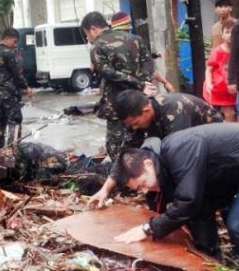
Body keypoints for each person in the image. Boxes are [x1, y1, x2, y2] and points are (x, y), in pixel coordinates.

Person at [112, 124, 239, 271]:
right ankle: (214, 268)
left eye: (143, 184)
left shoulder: (179, 150)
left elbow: (188, 202)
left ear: (148, 164)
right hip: (233, 168)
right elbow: (192, 206)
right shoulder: (161, 164)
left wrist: (148, 228)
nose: (145, 190)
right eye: (139, 189)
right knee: (204, 213)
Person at [88, 89, 224, 207]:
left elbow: (180, 160)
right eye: (131, 125)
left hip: (215, 148)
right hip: (189, 146)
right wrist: (105, 190)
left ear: (146, 111)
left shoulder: (175, 111)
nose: (134, 128)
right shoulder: (137, 118)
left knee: (183, 190)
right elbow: (126, 158)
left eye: (136, 123)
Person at [81, 11, 154, 160]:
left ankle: (123, 178)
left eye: (87, 34)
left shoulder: (98, 47)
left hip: (116, 105)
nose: (88, 39)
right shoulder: (135, 39)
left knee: (116, 148)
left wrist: (138, 83)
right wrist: (142, 83)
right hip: (138, 101)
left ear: (93, 28)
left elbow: (108, 73)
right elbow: (148, 63)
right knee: (139, 140)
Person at [0, 28, 32, 150]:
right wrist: (26, 87)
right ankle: (12, 152)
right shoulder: (11, 53)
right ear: (7, 38)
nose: (15, 45)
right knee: (15, 122)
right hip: (9, 94)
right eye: (14, 42)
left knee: (0, 121)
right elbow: (17, 75)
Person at [110, 12, 174, 93]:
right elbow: (150, 68)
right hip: (137, 91)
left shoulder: (105, 45)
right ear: (128, 26)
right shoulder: (135, 40)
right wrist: (165, 83)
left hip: (116, 92)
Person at [204, 20, 237, 122]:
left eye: (233, 32)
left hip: (232, 90)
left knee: (231, 113)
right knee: (216, 114)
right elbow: (209, 69)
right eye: (227, 32)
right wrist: (209, 83)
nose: (231, 35)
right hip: (218, 89)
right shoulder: (218, 51)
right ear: (222, 35)